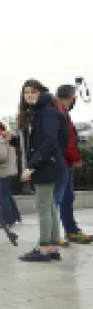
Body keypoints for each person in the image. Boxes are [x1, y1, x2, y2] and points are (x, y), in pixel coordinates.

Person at [16, 80, 69, 262]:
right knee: (50, 207)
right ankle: (52, 247)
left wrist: (32, 166)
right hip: (51, 164)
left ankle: (44, 248)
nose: (29, 95)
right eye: (26, 92)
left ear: (40, 93)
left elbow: (49, 142)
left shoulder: (47, 112)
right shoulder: (43, 111)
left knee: (44, 207)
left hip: (46, 165)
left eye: (33, 91)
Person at [54, 84, 92, 243]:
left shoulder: (59, 111)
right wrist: (76, 158)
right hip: (61, 162)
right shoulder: (59, 113)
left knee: (67, 197)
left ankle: (70, 230)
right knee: (58, 198)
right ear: (72, 98)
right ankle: (54, 235)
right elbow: (68, 141)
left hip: (62, 161)